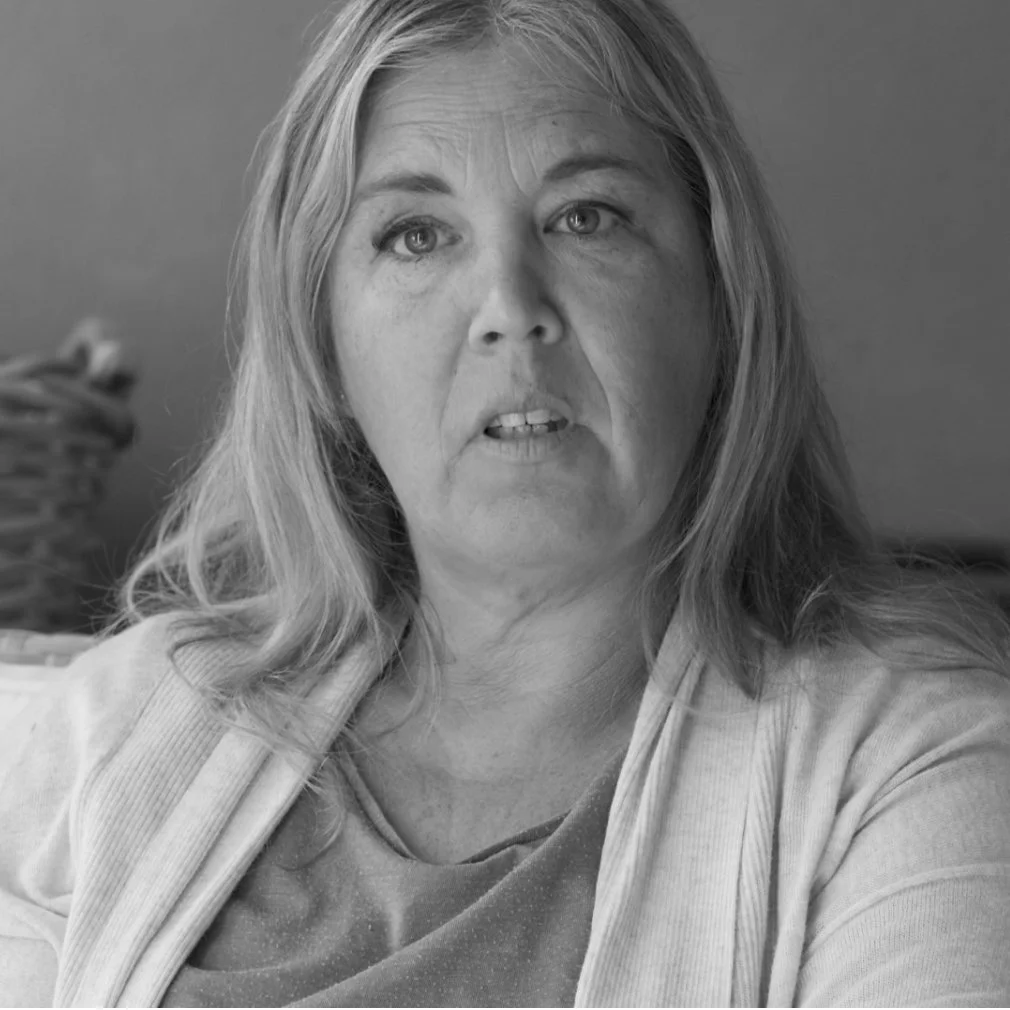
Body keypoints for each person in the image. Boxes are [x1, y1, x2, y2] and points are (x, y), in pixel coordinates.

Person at [3, 0, 1009, 1005]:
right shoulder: (120, 726)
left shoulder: (909, 773)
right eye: (414, 234)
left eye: (586, 217)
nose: (511, 310)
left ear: (718, 296)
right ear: (324, 348)